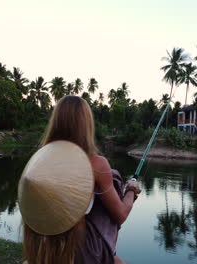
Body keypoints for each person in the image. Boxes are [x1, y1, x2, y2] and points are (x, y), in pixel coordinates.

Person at [18, 95, 141, 264]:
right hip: (80, 250)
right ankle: (108, 250)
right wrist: (131, 191)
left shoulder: (39, 160)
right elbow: (120, 215)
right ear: (86, 125)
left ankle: (109, 254)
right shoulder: (96, 164)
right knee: (114, 177)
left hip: (44, 245)